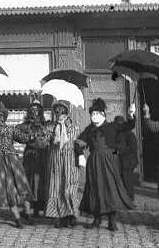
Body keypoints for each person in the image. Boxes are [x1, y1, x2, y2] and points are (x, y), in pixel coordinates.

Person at [76, 98, 137, 231]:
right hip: (94, 163)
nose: (94, 117)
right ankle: (97, 220)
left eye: (97, 114)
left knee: (110, 189)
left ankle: (112, 221)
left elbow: (128, 126)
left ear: (103, 114)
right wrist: (80, 154)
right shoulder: (89, 130)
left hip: (110, 163)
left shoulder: (112, 126)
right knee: (96, 188)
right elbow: (79, 141)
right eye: (92, 115)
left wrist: (131, 115)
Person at [0, 102, 34, 228]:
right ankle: (17, 218)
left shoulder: (11, 129)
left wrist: (32, 136)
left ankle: (27, 213)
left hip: (12, 159)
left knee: (22, 184)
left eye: (2, 115)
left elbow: (23, 138)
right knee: (8, 188)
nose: (0, 117)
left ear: (5, 117)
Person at [44, 100, 81, 228]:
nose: (60, 113)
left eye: (62, 111)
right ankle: (60, 216)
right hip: (56, 159)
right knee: (57, 187)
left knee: (69, 187)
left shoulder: (74, 126)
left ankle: (72, 215)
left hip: (70, 160)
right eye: (57, 111)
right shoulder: (50, 127)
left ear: (67, 112)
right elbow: (45, 142)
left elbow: (79, 143)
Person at [16, 100, 50, 216]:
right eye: (32, 110)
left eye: (37, 110)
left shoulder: (45, 124)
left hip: (42, 156)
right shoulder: (25, 125)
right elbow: (17, 134)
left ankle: (38, 209)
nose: (35, 112)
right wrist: (28, 137)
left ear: (40, 112)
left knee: (41, 181)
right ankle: (27, 210)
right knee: (29, 181)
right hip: (30, 156)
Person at [115, 114, 139, 201]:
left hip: (129, 162)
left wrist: (118, 151)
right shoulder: (120, 133)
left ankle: (130, 199)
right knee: (124, 181)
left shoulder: (129, 134)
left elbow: (132, 148)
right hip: (123, 162)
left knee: (128, 181)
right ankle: (126, 199)